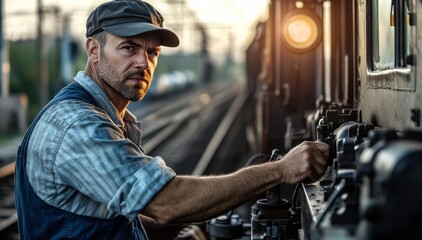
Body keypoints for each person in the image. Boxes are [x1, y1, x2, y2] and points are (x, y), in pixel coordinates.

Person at [14, 0, 329, 239]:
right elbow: (166, 203)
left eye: (152, 53)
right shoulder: (77, 124)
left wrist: (177, 230)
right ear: (93, 50)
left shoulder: (111, 117)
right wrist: (280, 170)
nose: (143, 62)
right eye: (129, 48)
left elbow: (109, 216)